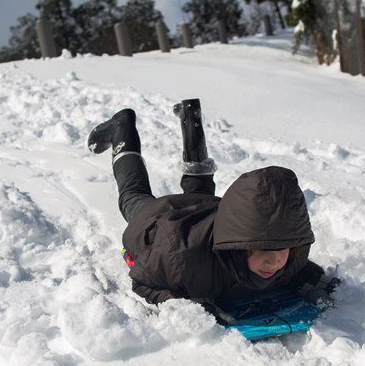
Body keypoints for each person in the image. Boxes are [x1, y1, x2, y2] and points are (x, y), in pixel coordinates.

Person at [87, 99, 337, 320]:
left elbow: (298, 270)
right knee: (132, 195)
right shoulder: (180, 261)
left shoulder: (287, 258)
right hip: (161, 221)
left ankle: (190, 119)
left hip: (210, 213)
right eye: (264, 249)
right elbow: (143, 282)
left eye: (281, 249)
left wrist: (313, 281)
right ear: (241, 244)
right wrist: (183, 302)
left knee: (199, 193)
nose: (274, 261)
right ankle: (122, 128)